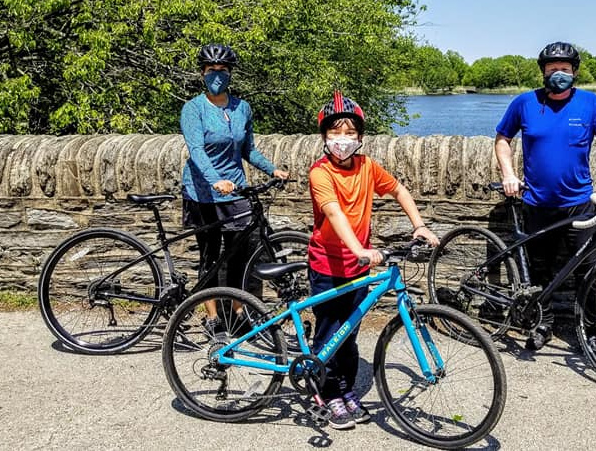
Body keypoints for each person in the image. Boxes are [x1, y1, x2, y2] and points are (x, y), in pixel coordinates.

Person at [494, 41, 596, 361]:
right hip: (536, 203)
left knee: (589, 274)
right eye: (552, 69)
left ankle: (590, 334)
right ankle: (543, 323)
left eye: (564, 69)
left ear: (574, 72)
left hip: (580, 205)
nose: (558, 74)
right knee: (540, 271)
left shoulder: (590, 104)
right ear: (543, 73)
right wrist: (508, 173)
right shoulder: (524, 103)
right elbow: (503, 140)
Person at [307, 90, 439, 430]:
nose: (342, 140)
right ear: (324, 136)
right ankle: (325, 392)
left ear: (360, 138)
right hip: (328, 263)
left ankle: (346, 390)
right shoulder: (320, 173)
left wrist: (419, 225)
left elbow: (398, 189)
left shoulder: (367, 166)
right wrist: (359, 249)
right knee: (329, 332)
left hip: (358, 266)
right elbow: (334, 214)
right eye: (335, 132)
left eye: (350, 133)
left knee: (349, 335)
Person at [180, 44, 289, 329]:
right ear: (203, 73)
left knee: (240, 254)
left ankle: (239, 313)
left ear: (231, 74)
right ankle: (213, 317)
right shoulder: (193, 109)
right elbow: (196, 150)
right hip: (202, 192)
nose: (218, 75)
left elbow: (248, 150)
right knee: (210, 255)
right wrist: (215, 180)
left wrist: (273, 168)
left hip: (236, 191)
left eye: (223, 70)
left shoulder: (242, 109)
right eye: (212, 70)